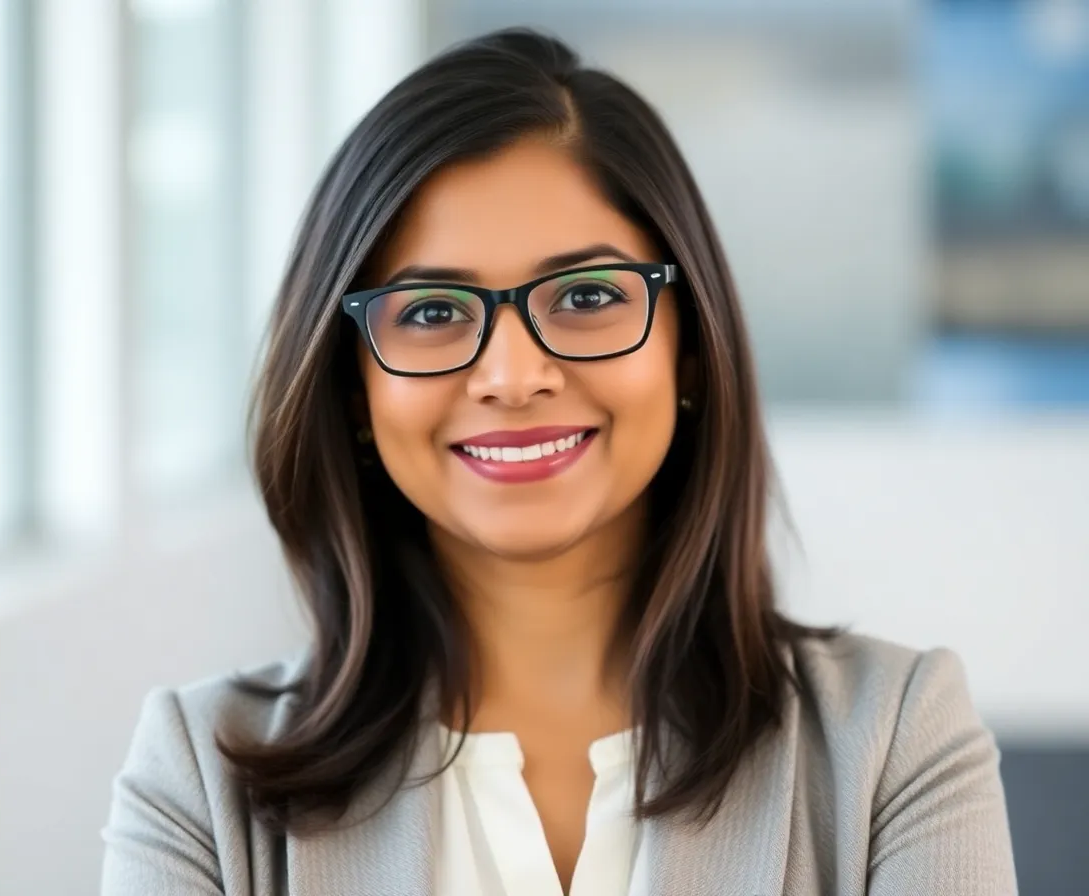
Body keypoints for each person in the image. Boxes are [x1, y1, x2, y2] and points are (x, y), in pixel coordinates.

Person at [99, 27, 1017, 896]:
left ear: (688, 350)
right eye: (429, 312)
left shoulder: (897, 743)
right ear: (355, 393)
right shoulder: (197, 780)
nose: (513, 375)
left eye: (585, 295)